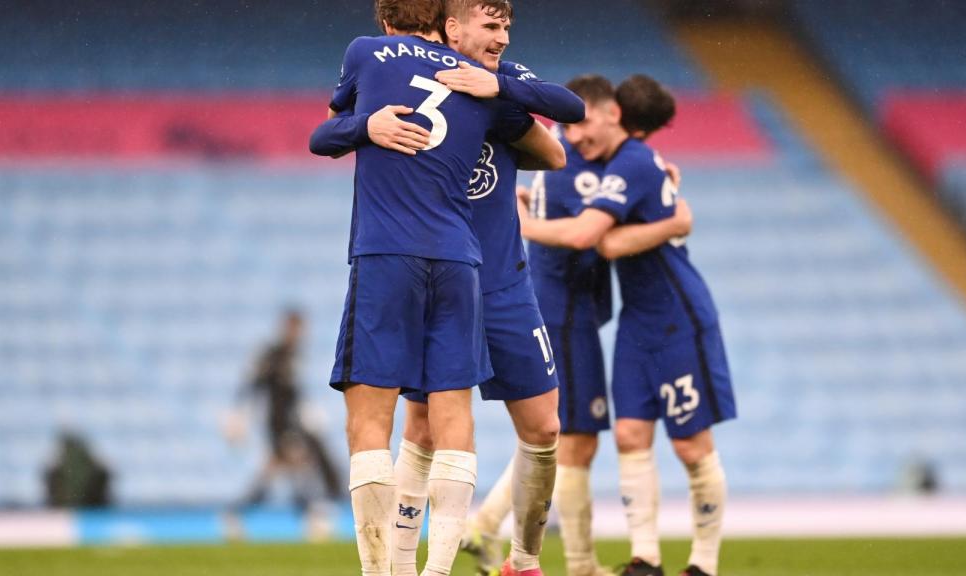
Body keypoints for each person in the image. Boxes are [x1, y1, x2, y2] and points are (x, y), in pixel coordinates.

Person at [311, 2, 583, 575]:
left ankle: (523, 559)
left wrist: (499, 91)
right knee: (424, 424)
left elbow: (556, 150)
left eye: (506, 27)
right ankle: (407, 566)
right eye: (491, 26)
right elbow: (330, 131)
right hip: (452, 266)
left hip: (498, 278)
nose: (502, 37)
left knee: (544, 427)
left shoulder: (501, 84)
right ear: (448, 28)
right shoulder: (409, 72)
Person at [518, 75, 737, 576]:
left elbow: (603, 241)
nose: (574, 138)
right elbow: (604, 208)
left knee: (690, 443)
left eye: (582, 124)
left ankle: (703, 564)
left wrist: (522, 225)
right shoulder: (626, 164)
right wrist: (675, 216)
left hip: (678, 315)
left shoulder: (634, 160)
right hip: (639, 321)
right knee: (631, 436)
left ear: (613, 113)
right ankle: (646, 560)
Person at [470, 100, 690, 576]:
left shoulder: (563, 166)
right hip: (565, 313)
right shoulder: (578, 169)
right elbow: (589, 234)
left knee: (558, 436)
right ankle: (575, 561)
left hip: (564, 308)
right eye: (577, 124)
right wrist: (671, 212)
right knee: (572, 441)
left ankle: (485, 527)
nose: (584, 136)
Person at [230, 310, 343, 509]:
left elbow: (294, 392)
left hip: (292, 421)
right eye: (295, 328)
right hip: (277, 422)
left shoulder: (295, 356)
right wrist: (240, 413)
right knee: (299, 462)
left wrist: (307, 410)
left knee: (279, 467)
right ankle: (311, 512)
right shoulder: (273, 355)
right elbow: (254, 383)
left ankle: (239, 512)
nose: (298, 334)